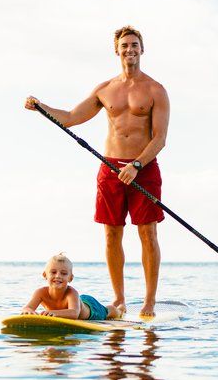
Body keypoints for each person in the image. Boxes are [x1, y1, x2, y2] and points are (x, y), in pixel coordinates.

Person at [25, 25, 169, 317]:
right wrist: (42, 107)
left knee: (147, 233)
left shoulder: (156, 90)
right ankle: (119, 299)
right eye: (125, 45)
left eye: (134, 45)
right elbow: (71, 117)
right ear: (117, 51)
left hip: (143, 167)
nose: (130, 50)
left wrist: (137, 164)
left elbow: (159, 138)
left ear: (142, 49)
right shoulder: (105, 90)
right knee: (111, 234)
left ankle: (149, 301)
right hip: (110, 168)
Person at [21, 253, 124, 320]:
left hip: (91, 309)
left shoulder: (71, 293)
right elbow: (28, 307)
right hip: (79, 301)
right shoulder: (40, 293)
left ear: (70, 278)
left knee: (108, 312)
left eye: (64, 273)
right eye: (53, 272)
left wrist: (52, 313)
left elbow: (74, 313)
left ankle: (120, 309)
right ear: (45, 275)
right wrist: (28, 311)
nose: (58, 276)